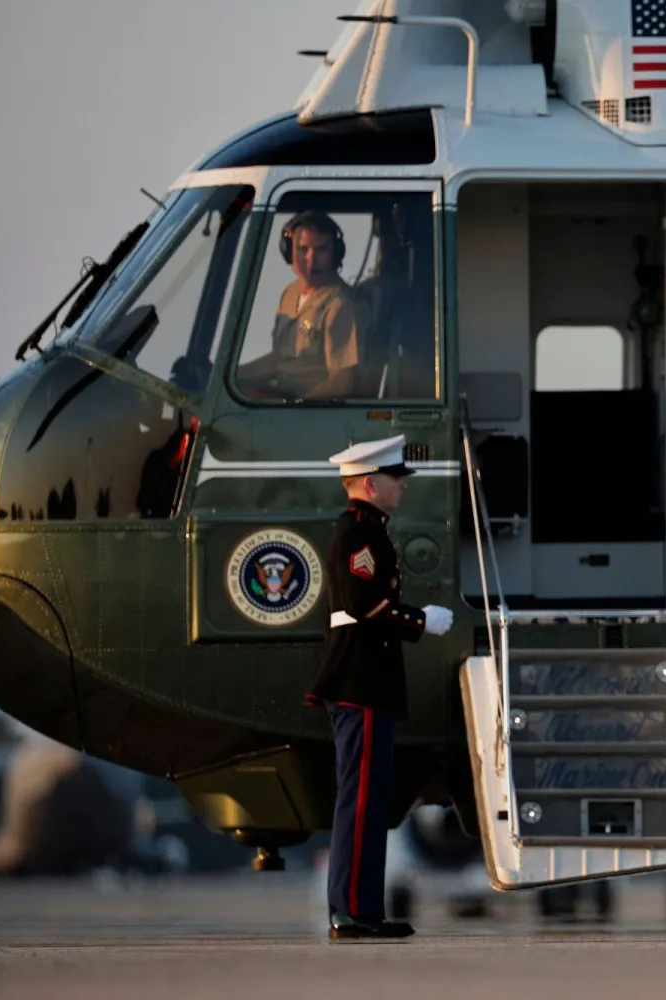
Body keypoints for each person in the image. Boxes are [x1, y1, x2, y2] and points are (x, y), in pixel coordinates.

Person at [305, 434, 456, 941]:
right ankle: (349, 910)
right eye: (396, 478)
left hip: (370, 682)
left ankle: (363, 910)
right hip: (360, 682)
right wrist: (420, 620)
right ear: (372, 482)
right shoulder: (357, 533)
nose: (403, 488)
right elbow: (362, 600)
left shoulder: (370, 530)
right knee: (360, 800)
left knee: (371, 801)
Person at [238, 210, 368, 399]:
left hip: (310, 413)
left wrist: (296, 408)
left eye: (321, 249)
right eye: (303, 249)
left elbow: (342, 382)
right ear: (288, 251)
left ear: (336, 254)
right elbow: (279, 360)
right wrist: (234, 376)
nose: (311, 259)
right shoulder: (290, 294)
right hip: (280, 396)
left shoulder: (340, 306)